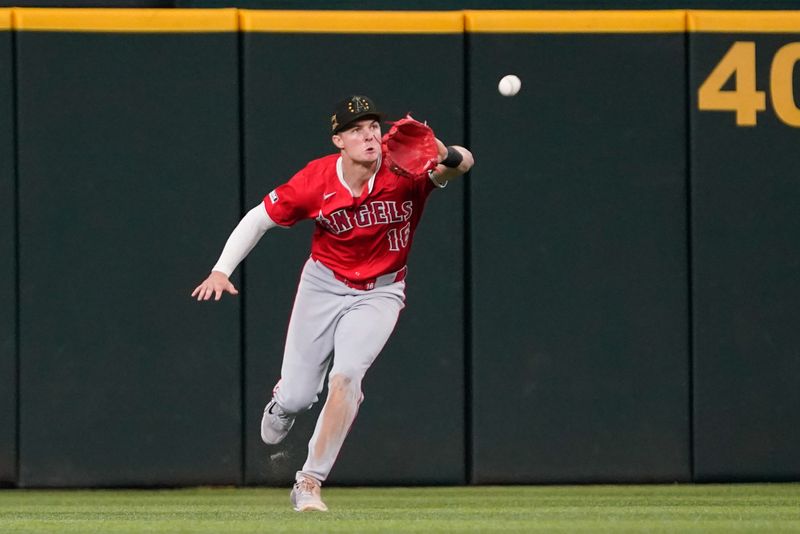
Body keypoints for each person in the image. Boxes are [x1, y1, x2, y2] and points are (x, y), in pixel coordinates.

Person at [191, 95, 474, 512]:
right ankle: (282, 401)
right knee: (298, 397)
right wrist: (221, 269)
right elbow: (258, 218)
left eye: (373, 126)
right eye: (357, 129)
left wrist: (445, 153)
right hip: (323, 285)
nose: (369, 135)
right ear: (339, 140)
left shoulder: (404, 167)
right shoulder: (316, 180)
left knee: (346, 378)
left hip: (381, 292)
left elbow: (463, 163)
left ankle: (308, 481)